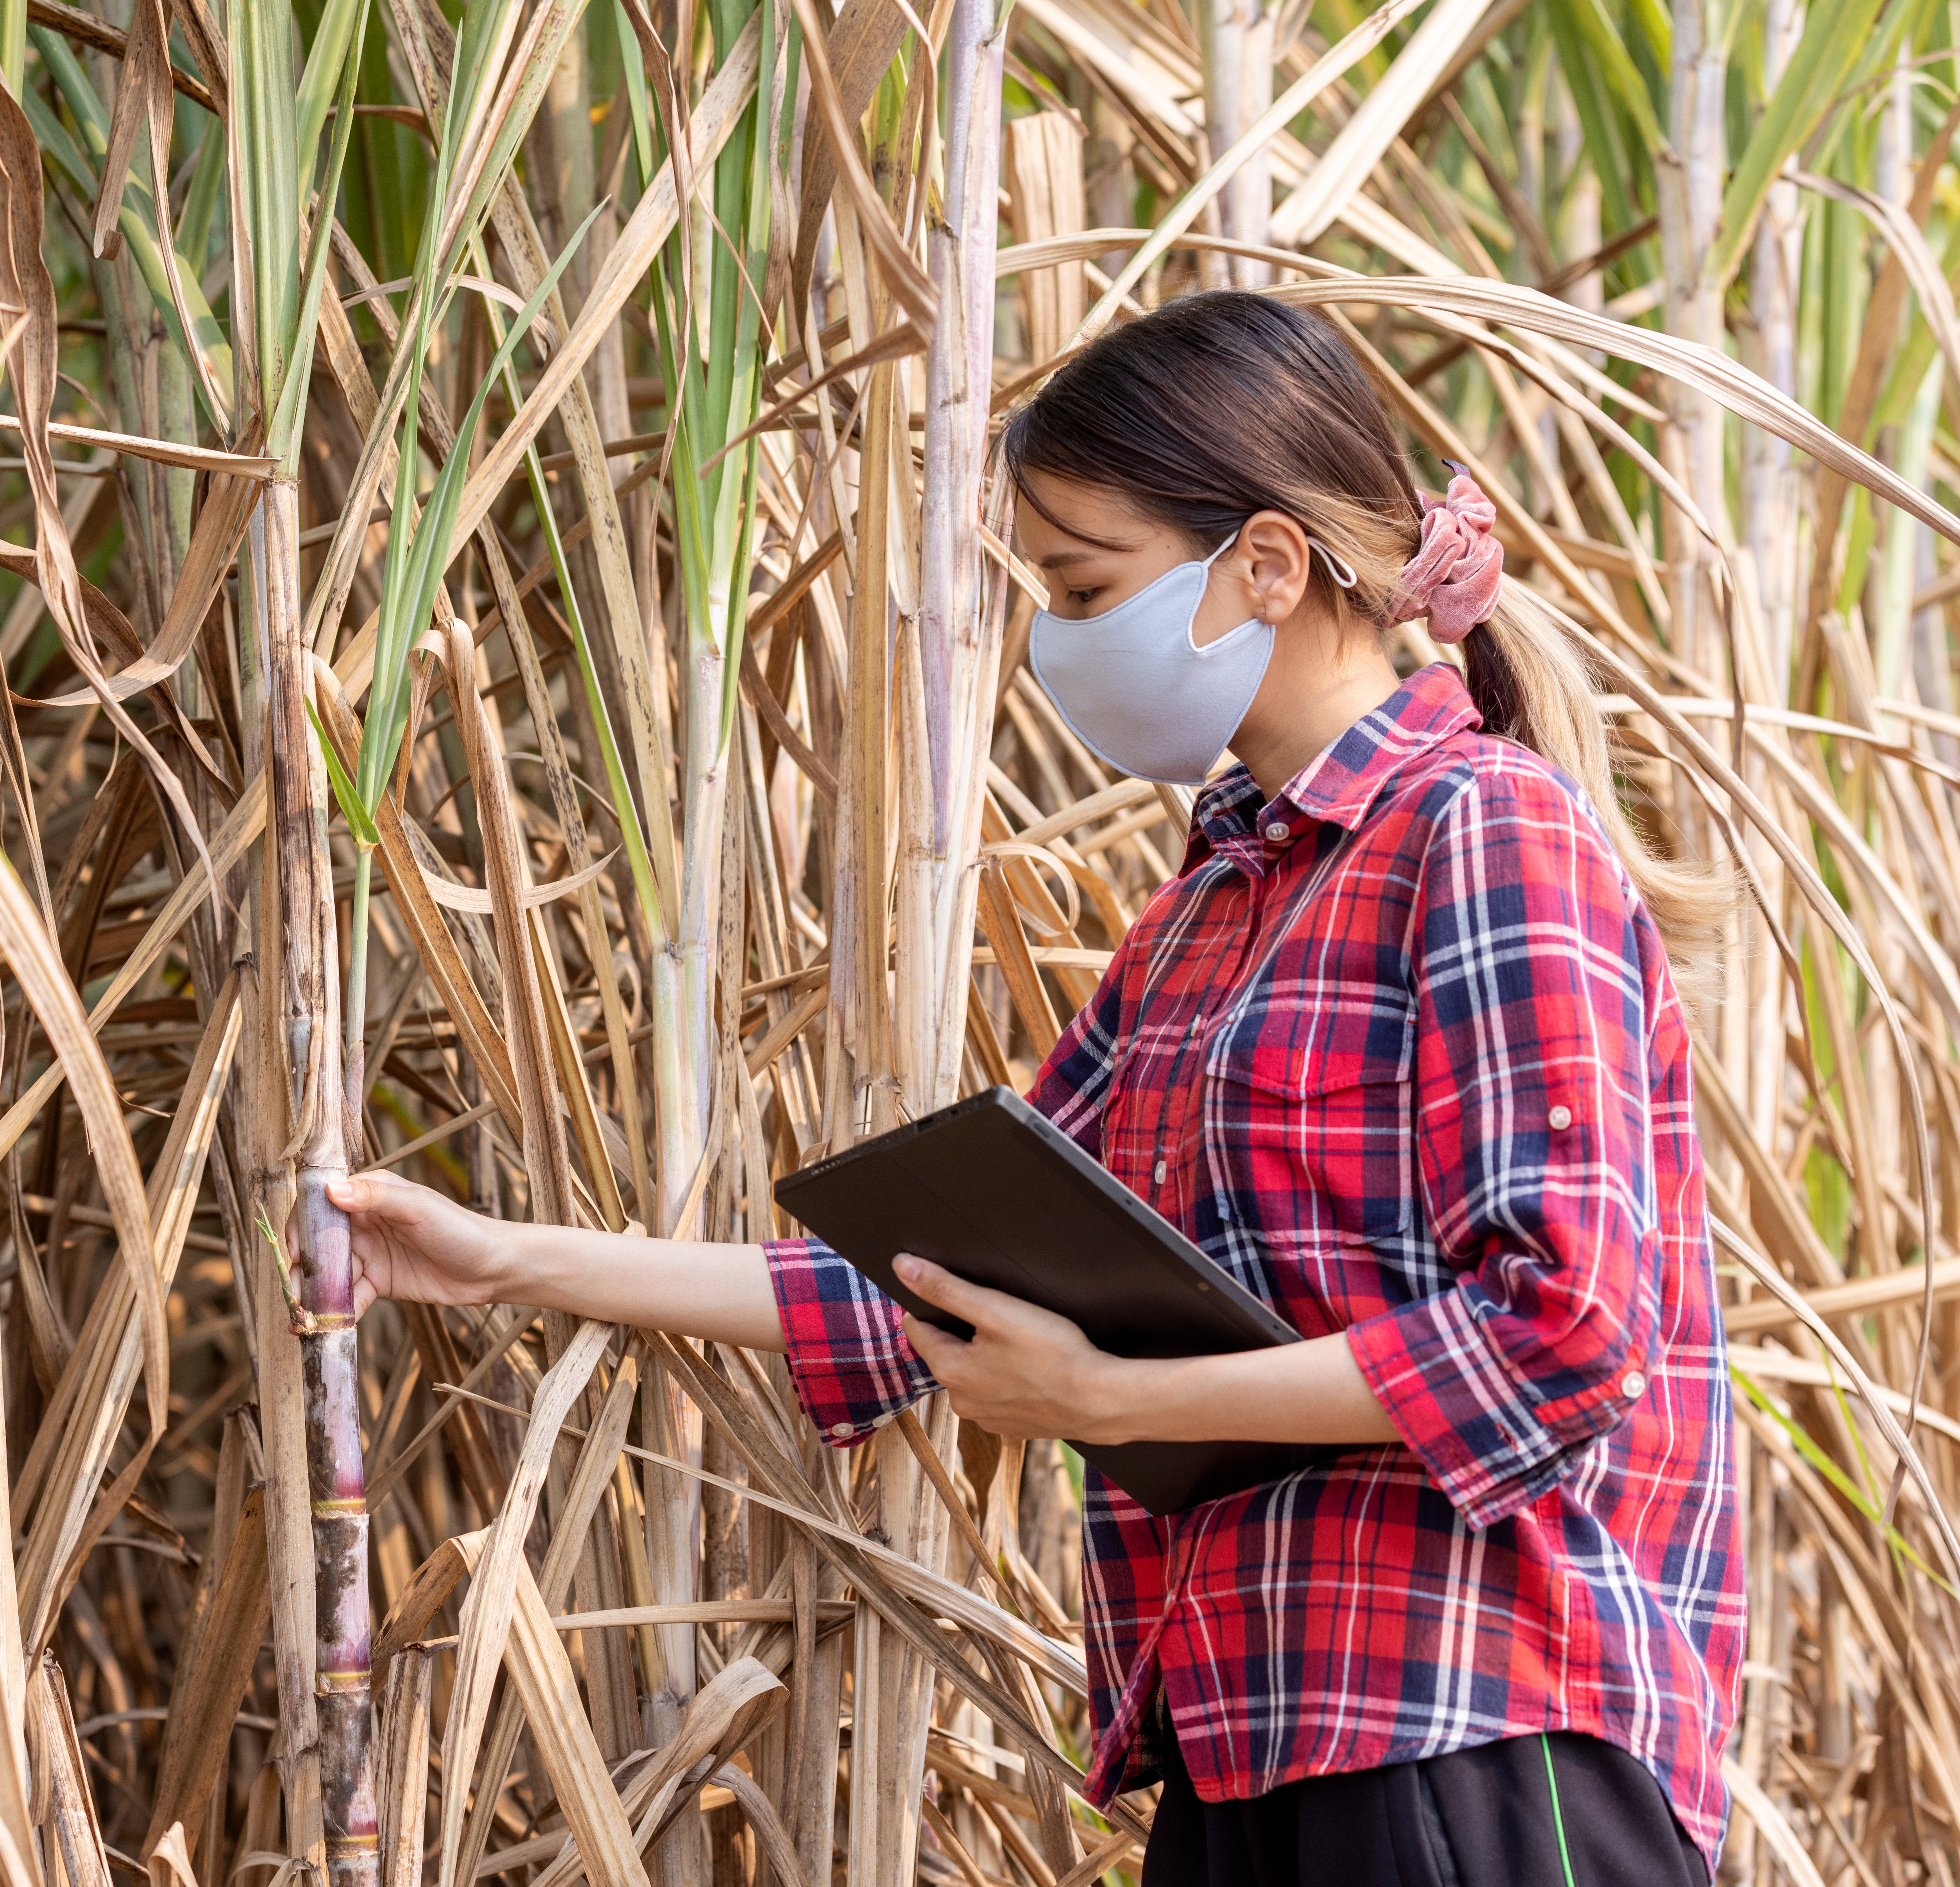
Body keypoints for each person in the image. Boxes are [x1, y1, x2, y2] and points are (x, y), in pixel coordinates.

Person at [323, 291, 1743, 1887]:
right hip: (1248, 1740)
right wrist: (501, 1256)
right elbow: (934, 1282)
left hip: (1475, 1729)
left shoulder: (1481, 833)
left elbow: (1559, 1335)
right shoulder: (1210, 906)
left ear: (1265, 566)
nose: (1055, 640)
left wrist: (1118, 1405)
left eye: (1083, 585)